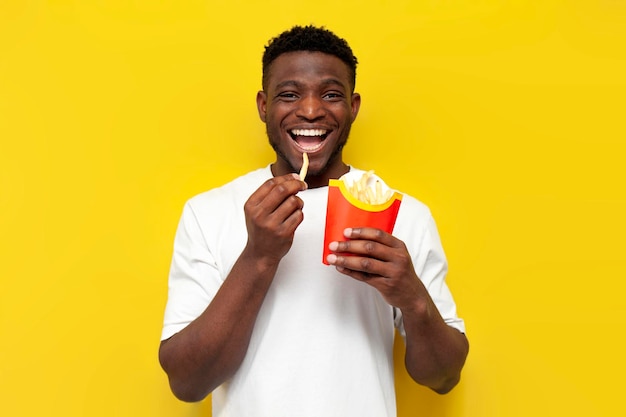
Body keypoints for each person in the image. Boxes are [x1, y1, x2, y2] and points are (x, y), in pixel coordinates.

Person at [159, 25, 469, 417]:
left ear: (353, 107)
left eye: (331, 95)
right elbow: (187, 383)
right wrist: (258, 256)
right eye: (289, 94)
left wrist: (412, 296)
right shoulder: (208, 212)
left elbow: (444, 378)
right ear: (263, 106)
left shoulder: (402, 213)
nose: (310, 110)